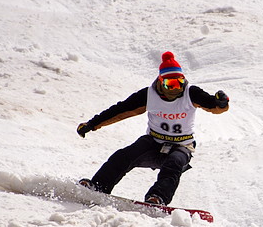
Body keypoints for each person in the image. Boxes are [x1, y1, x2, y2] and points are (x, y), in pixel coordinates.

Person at [76, 52, 229, 205]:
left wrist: (221, 103)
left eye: (179, 83)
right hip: (153, 142)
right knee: (123, 156)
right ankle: (98, 186)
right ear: (161, 82)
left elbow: (212, 105)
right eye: (170, 84)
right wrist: (92, 124)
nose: (176, 89)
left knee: (174, 164)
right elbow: (120, 110)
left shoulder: (191, 93)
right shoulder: (149, 95)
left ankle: (158, 198)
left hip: (182, 145)